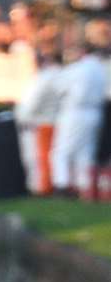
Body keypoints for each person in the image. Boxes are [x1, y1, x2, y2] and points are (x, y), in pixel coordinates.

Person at [52, 31, 109, 200]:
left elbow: (58, 87)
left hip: (75, 111)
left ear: (82, 52)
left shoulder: (78, 69)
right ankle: (85, 186)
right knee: (86, 152)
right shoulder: (100, 69)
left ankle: (62, 186)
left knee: (61, 151)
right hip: (95, 112)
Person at [17, 51, 65, 195]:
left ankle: (43, 188)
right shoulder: (61, 75)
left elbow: (33, 102)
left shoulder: (44, 78)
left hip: (42, 121)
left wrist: (23, 118)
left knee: (41, 157)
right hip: (57, 119)